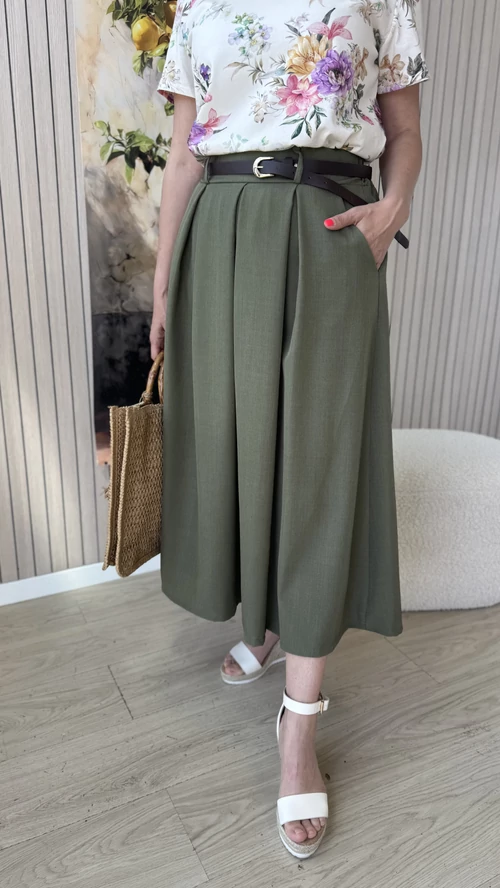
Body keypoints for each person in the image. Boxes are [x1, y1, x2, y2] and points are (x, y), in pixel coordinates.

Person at [151, 0, 428, 859]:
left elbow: (404, 130)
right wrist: (162, 287)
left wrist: (393, 209)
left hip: (330, 224)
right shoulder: (196, 5)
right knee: (235, 448)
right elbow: (182, 155)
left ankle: (299, 724)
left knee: (319, 464)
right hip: (220, 231)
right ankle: (261, 625)